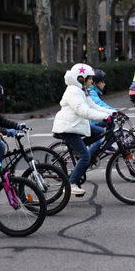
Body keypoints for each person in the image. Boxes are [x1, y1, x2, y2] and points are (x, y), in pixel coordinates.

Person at [52, 63, 117, 197]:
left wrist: (112, 113)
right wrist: (105, 117)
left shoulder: (82, 89)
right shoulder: (73, 91)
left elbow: (93, 106)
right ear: (81, 78)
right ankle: (72, 183)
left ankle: (79, 152)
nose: (92, 81)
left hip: (76, 125)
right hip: (68, 127)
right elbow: (84, 111)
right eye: (90, 78)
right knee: (86, 156)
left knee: (100, 132)